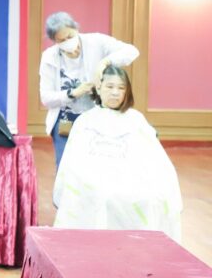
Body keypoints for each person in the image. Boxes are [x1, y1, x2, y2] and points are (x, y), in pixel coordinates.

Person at [53, 66, 182, 241]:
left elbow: (154, 160)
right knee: (102, 195)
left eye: (121, 88)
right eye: (110, 86)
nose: (115, 93)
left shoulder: (136, 120)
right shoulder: (85, 121)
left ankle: (143, 247)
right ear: (99, 88)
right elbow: (74, 163)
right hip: (94, 179)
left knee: (150, 198)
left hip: (131, 178)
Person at [39, 12, 139, 168]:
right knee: (66, 167)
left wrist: (105, 62)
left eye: (70, 36)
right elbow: (46, 98)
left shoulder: (96, 41)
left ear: (76, 29)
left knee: (95, 167)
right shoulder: (49, 57)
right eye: (61, 40)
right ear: (54, 41)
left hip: (97, 118)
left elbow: (131, 51)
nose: (67, 42)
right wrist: (72, 93)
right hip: (65, 122)